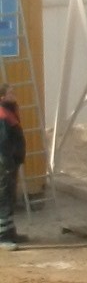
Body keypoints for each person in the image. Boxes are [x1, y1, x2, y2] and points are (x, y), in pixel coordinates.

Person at [0, 86, 25, 249]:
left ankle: (10, 232)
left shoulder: (9, 112)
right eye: (11, 93)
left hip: (10, 163)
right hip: (4, 165)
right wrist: (7, 164)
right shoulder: (2, 115)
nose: (14, 95)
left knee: (9, 198)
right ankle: (2, 237)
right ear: (2, 97)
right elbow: (2, 143)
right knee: (3, 198)